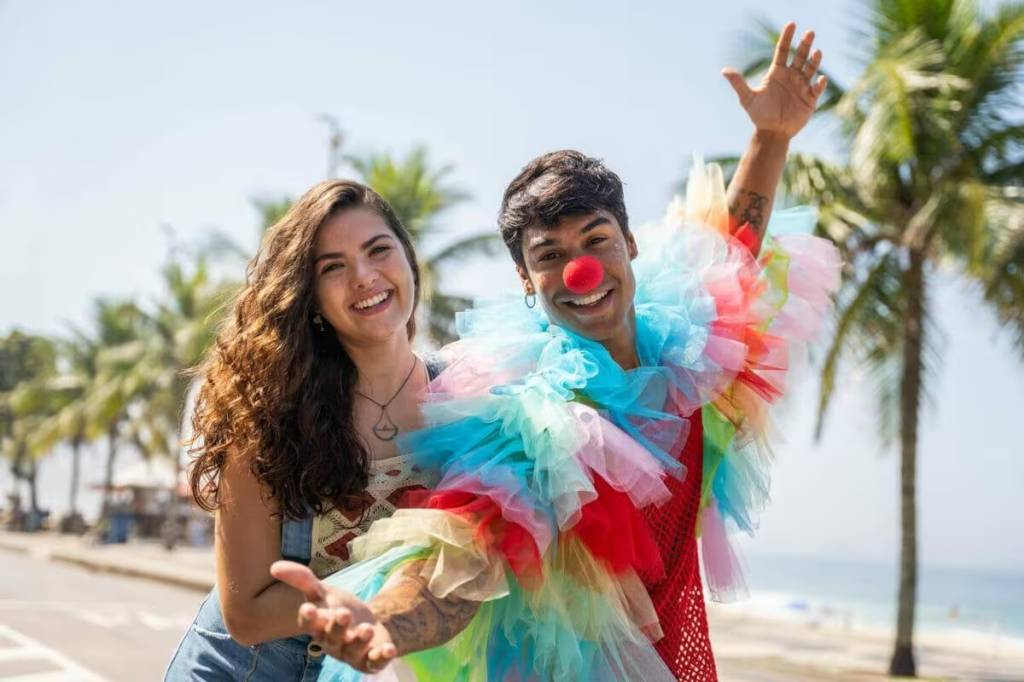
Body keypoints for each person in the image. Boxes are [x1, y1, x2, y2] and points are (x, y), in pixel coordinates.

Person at [274, 22, 840, 681]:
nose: (582, 271)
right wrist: (387, 624)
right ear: (525, 280)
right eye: (550, 256)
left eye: (596, 240)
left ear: (631, 244)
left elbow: (734, 247)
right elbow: (463, 555)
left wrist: (770, 138)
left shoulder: (683, 339)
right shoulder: (536, 414)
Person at [164, 180, 447, 681]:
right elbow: (245, 613)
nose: (363, 276)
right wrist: (349, 607)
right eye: (332, 267)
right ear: (310, 298)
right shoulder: (267, 414)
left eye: (378, 249)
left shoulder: (469, 398)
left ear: (408, 258)